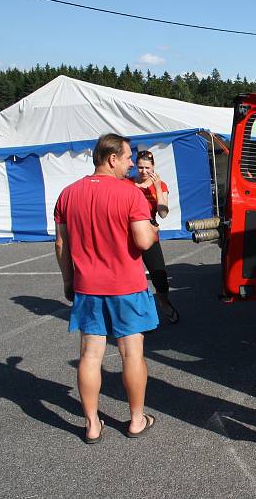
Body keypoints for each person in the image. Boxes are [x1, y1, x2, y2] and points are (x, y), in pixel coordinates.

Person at [54, 133, 160, 443]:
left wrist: (68, 281)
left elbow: (62, 243)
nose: (131, 165)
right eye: (128, 159)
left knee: (90, 355)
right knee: (132, 354)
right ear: (111, 158)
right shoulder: (130, 194)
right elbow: (143, 240)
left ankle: (91, 424)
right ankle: (137, 420)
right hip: (126, 285)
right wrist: (153, 229)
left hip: (88, 286)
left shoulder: (68, 194)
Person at [130, 150, 179, 324]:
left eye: (147, 168)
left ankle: (163, 302)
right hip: (128, 237)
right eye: (140, 167)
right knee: (132, 280)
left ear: (153, 167)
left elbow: (163, 213)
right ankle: (140, 315)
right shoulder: (127, 183)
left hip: (149, 236)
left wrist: (157, 187)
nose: (143, 171)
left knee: (160, 277)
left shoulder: (160, 185)